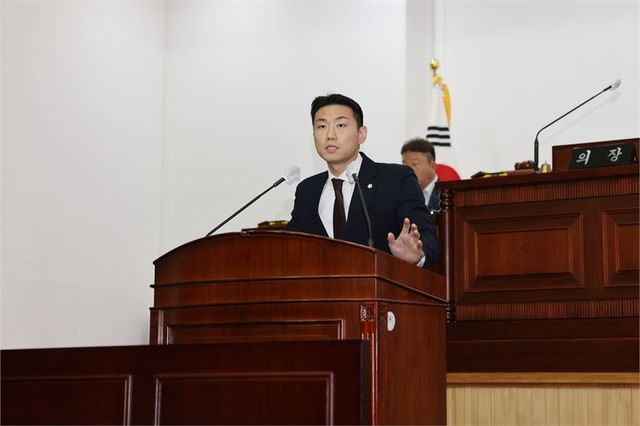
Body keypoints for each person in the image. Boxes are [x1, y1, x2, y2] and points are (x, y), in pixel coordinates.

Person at [287, 94, 439, 268]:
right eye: (322, 126)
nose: (330, 135)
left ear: (361, 134)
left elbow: (427, 237)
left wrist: (417, 255)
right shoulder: (307, 190)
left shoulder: (396, 179)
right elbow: (291, 248)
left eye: (341, 125)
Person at [401, 138, 441, 214]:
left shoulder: (448, 195)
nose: (407, 169)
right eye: (404, 165)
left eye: (414, 164)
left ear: (433, 166)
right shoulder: (401, 196)